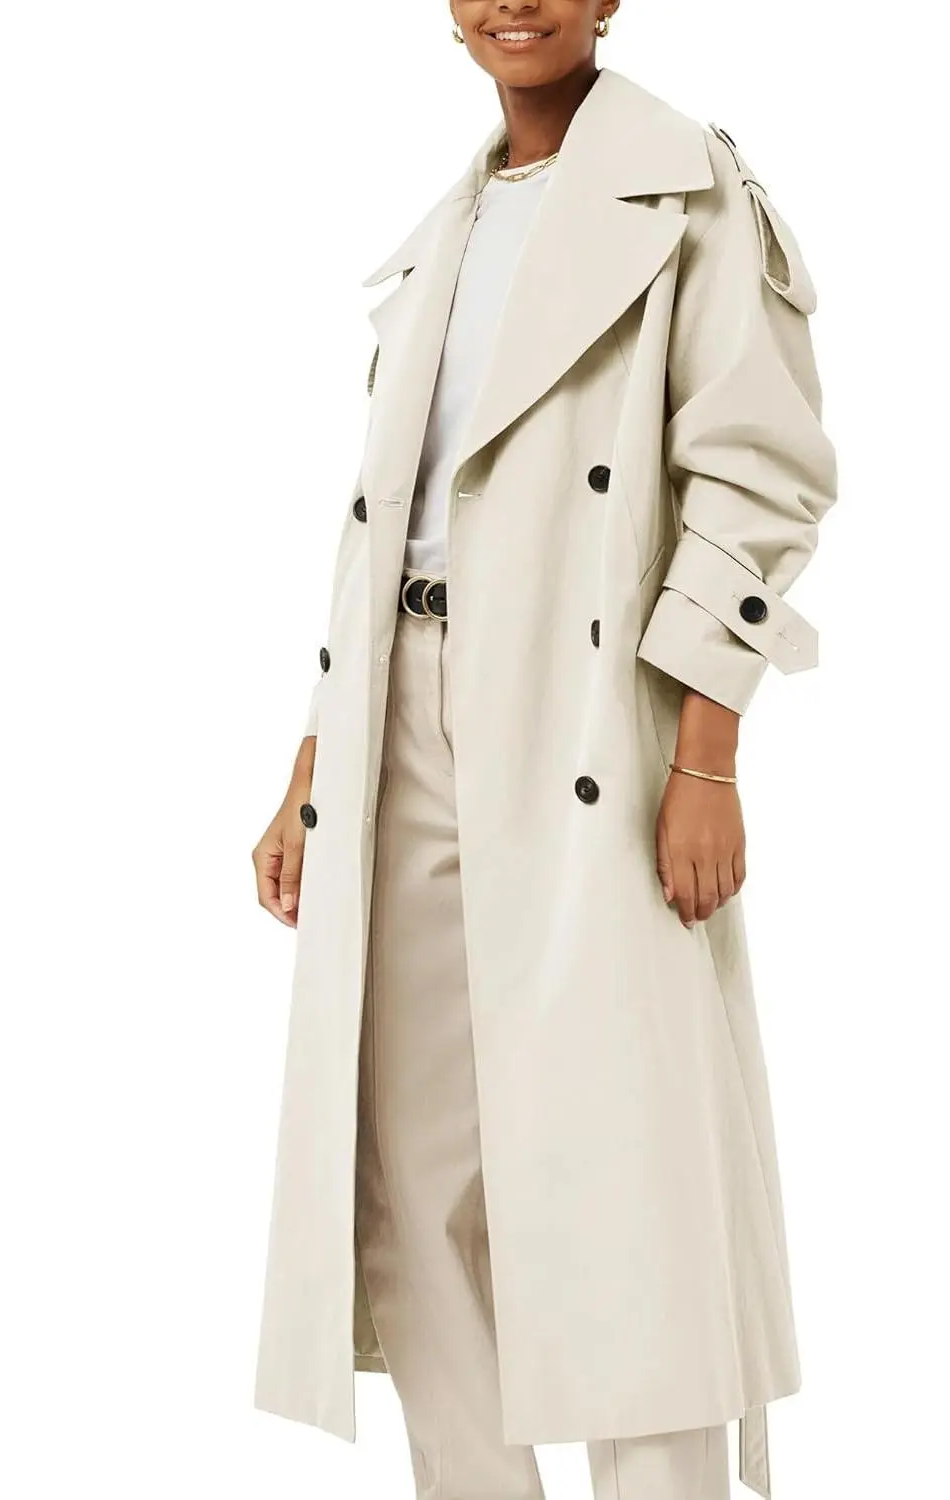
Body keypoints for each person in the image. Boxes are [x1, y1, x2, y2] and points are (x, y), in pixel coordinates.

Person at [251, 6, 838, 1498]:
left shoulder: (689, 189)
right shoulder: (444, 230)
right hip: (402, 715)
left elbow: (756, 482)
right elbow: (383, 519)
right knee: (415, 1165)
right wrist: (315, 761)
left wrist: (706, 758)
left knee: (626, 1168)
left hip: (586, 715)